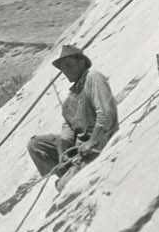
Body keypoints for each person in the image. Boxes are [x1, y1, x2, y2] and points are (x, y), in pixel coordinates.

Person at [28, 45, 119, 180]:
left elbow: (105, 114)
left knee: (65, 185)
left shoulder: (93, 78)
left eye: (68, 65)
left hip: (100, 141)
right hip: (80, 147)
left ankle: (70, 179)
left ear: (81, 62)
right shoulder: (72, 96)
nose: (65, 71)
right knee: (36, 144)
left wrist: (92, 141)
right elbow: (69, 126)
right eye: (62, 68)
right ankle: (65, 172)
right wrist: (62, 150)